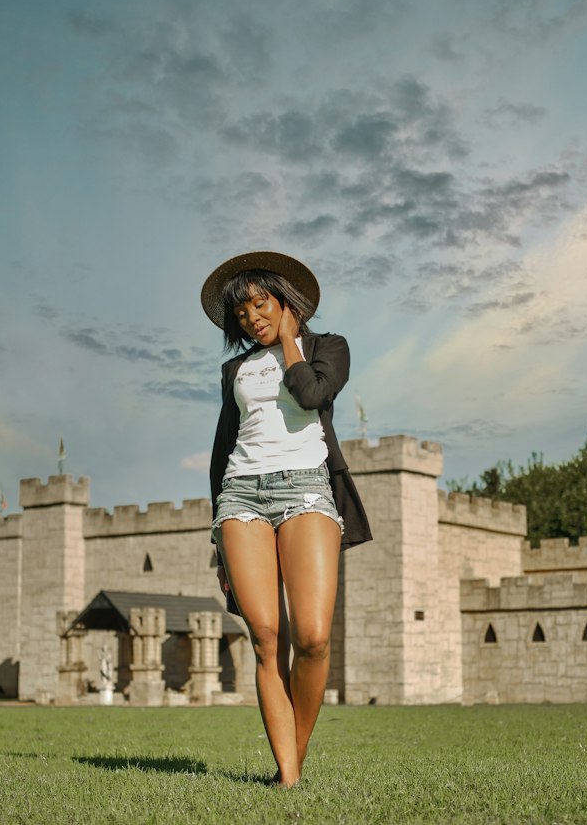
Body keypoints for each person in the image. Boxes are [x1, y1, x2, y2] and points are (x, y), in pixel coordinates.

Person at [200, 250, 372, 789]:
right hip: (241, 497)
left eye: (261, 303)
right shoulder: (236, 369)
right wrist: (217, 543)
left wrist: (291, 341)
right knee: (266, 637)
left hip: (307, 491)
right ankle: (289, 781)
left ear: (285, 301)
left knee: (314, 637)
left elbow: (311, 393)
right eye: (243, 311)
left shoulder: (329, 349)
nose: (252, 317)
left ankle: (291, 757)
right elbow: (222, 448)